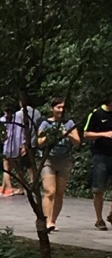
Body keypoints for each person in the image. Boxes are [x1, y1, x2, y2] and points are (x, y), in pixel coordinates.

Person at [36, 97, 80, 230]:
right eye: (58, 107)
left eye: (63, 107)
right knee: (50, 191)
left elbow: (77, 141)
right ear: (52, 109)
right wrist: (50, 135)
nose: (61, 110)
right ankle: (46, 220)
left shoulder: (69, 123)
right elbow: (39, 142)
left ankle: (53, 220)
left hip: (64, 160)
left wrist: (66, 134)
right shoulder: (45, 123)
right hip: (48, 160)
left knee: (60, 192)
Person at [84, 94, 112, 230]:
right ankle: (99, 219)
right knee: (99, 188)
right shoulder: (96, 114)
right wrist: (104, 134)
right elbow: (86, 134)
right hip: (101, 156)